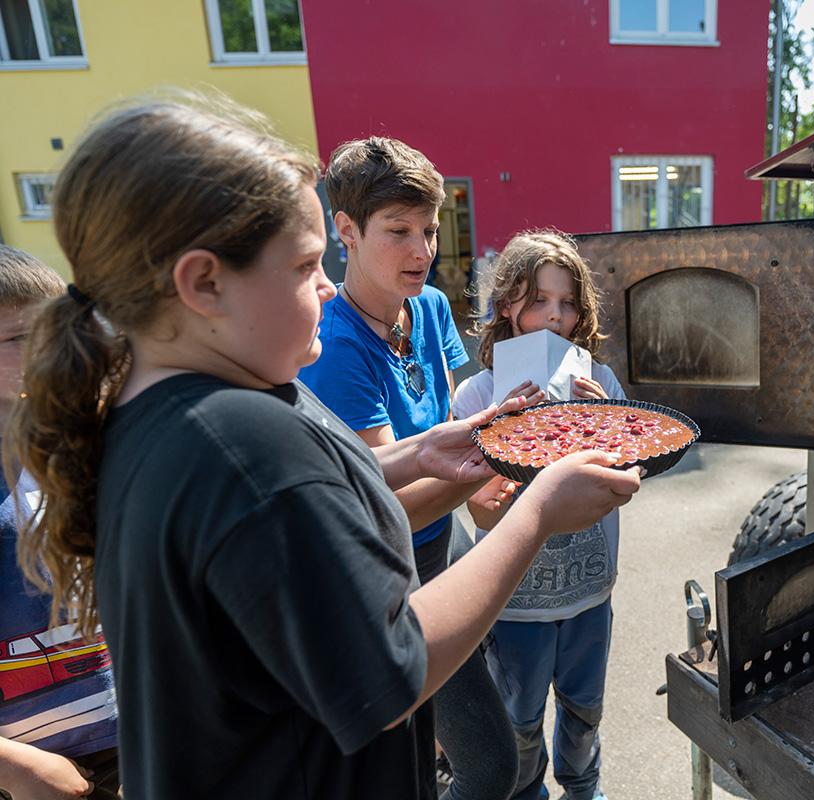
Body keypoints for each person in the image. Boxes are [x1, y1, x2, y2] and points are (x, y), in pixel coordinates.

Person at [3, 93, 640, 800]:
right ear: (204, 283)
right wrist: (540, 510)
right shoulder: (246, 449)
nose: (329, 287)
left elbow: (321, 484)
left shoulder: (188, 398)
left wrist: (420, 452)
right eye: (307, 265)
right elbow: (389, 671)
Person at [296, 136, 520, 800]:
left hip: (446, 541)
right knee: (491, 767)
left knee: (447, 725)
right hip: (394, 570)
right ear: (346, 231)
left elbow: (445, 427)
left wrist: (489, 458)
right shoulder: (335, 346)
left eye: (430, 229)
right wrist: (508, 459)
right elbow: (386, 505)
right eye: (399, 231)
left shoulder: (427, 307)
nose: (423, 251)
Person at [453, 230, 622, 800]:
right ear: (506, 306)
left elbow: (626, 478)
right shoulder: (477, 397)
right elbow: (479, 513)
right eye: (539, 300)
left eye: (568, 302)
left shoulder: (601, 384)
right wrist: (496, 475)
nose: (555, 315)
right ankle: (527, 793)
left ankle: (584, 789)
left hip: (589, 593)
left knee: (585, 711)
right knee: (519, 721)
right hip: (514, 603)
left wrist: (608, 427)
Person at [0, 246, 120, 799]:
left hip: (141, 738)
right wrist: (13, 767)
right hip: (31, 776)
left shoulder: (85, 441)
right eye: (19, 337)